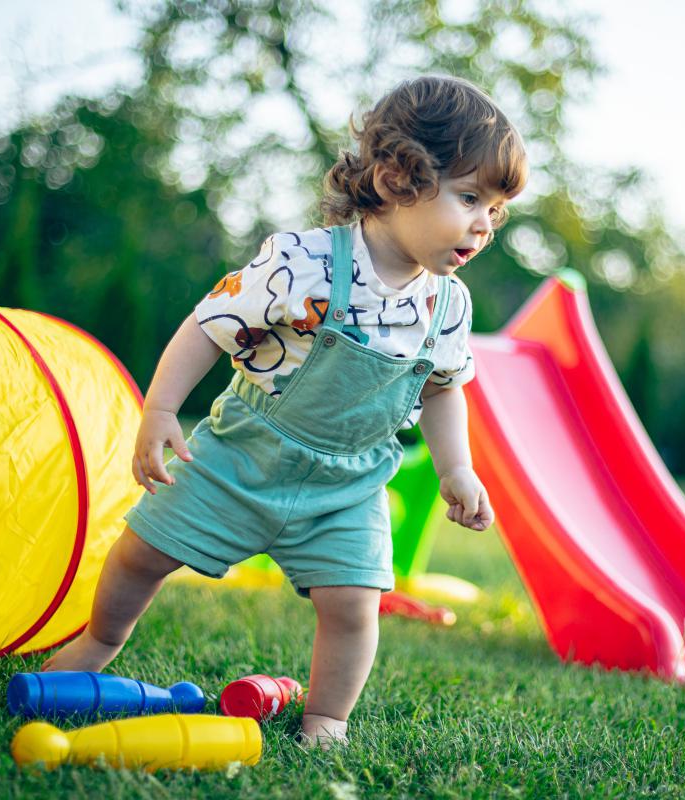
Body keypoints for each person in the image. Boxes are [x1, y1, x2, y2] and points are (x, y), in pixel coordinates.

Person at [42, 75, 528, 747]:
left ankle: (327, 716)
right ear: (395, 179)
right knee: (142, 554)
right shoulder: (301, 262)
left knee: (355, 606)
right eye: (470, 197)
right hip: (243, 455)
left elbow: (443, 387)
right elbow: (208, 324)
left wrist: (457, 470)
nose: (484, 223)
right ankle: (98, 643)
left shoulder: (447, 303)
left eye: (497, 210)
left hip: (348, 483)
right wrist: (160, 411)